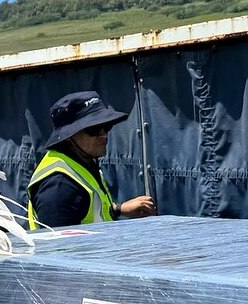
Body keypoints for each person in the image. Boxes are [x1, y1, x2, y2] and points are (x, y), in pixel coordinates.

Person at [27, 90, 157, 229]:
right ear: (69, 136)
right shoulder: (59, 186)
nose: (103, 135)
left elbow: (89, 211)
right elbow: (59, 247)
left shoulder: (82, 162)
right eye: (94, 129)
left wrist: (119, 209)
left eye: (106, 127)